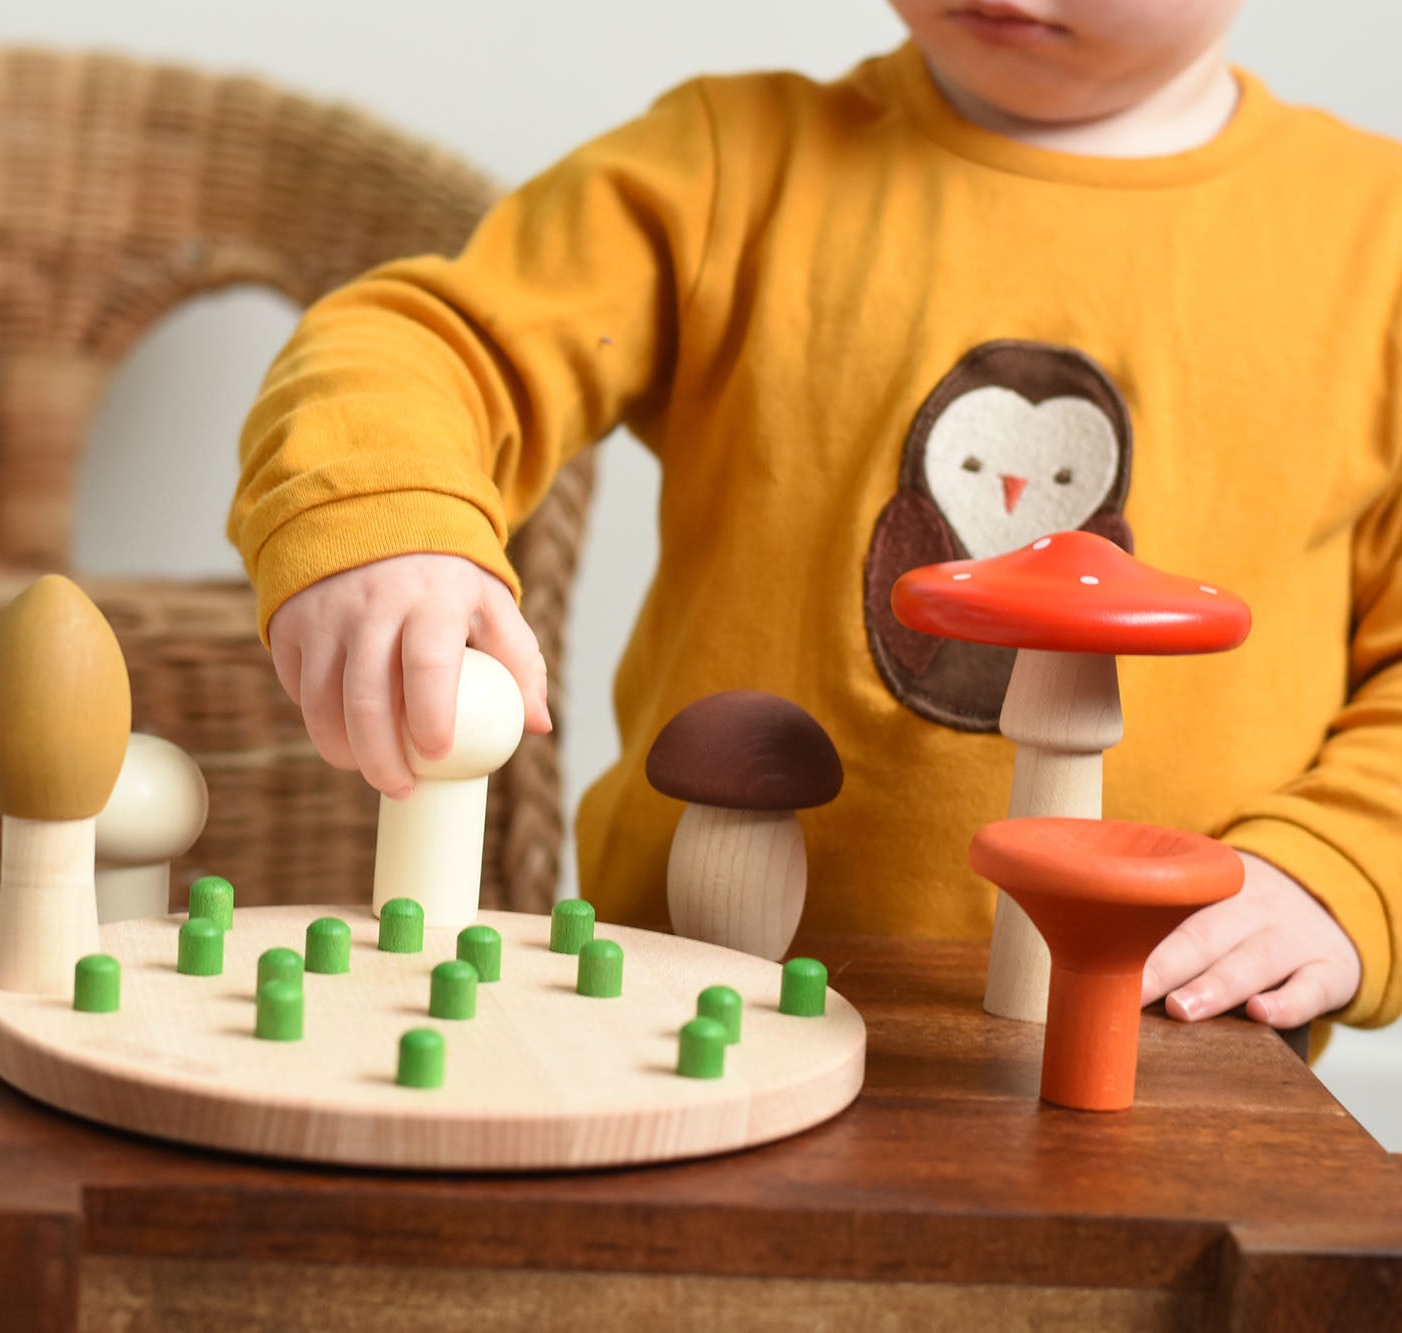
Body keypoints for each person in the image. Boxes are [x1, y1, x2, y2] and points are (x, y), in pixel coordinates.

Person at [231, 0, 1399, 1038]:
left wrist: (1341, 864)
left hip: (1166, 1034)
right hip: (691, 1010)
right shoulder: (726, 165)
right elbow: (426, 343)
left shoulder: (1373, 239)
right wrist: (383, 506)